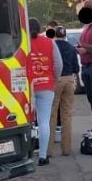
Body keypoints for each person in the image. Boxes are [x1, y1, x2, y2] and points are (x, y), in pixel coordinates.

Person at [28, 18, 62, 165]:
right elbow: (58, 64)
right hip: (46, 85)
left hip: (26, 87)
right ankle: (43, 156)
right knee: (44, 121)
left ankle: (26, 154)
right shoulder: (50, 42)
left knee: (27, 122)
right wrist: (53, 77)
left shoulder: (22, 44)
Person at [49, 26, 80, 156]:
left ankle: (48, 150)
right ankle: (66, 149)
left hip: (56, 79)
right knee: (66, 115)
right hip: (69, 80)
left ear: (55, 35)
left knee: (52, 115)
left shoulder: (52, 46)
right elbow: (76, 68)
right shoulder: (71, 48)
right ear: (65, 35)